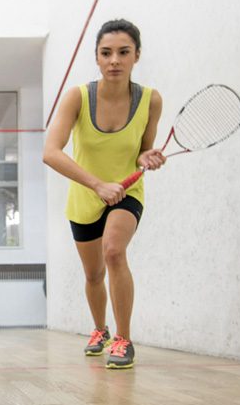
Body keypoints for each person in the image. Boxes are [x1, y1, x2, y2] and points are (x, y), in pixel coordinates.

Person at [43, 19, 165, 370]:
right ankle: (100, 330)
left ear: (136, 56)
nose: (114, 60)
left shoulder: (150, 100)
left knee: (113, 251)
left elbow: (144, 149)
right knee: (94, 275)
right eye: (106, 53)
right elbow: (50, 151)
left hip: (128, 191)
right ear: (96, 58)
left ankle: (124, 339)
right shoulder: (78, 97)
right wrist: (97, 185)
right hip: (85, 196)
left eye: (123, 52)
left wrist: (147, 157)